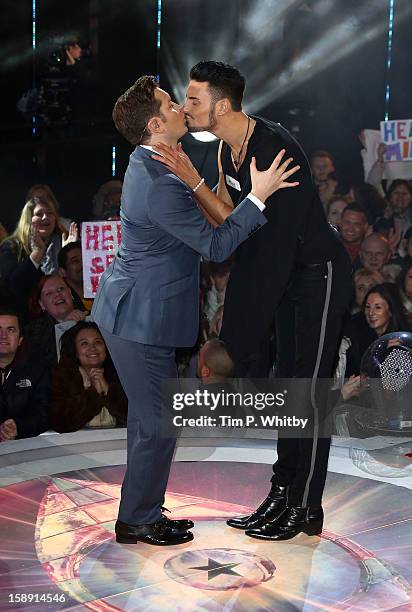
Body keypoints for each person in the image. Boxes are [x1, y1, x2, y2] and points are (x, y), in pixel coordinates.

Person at [91, 75, 299, 547]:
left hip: (139, 310)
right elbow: (217, 245)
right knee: (155, 422)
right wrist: (259, 195)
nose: (182, 109)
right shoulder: (158, 179)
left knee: (154, 421)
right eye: (171, 104)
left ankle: (141, 511)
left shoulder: (156, 164)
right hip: (139, 318)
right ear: (155, 123)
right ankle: (138, 520)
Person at [154, 60, 353, 541]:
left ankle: (305, 506)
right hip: (283, 279)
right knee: (292, 389)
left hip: (318, 277)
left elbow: (277, 244)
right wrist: (190, 176)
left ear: (222, 105)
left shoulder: (275, 148)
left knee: (309, 392)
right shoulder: (226, 150)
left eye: (195, 99)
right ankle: (283, 493)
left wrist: (244, 324)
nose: (186, 106)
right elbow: (230, 219)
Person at [0, 196, 77, 319]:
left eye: (50, 213)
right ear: (28, 220)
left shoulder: (61, 244)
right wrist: (37, 253)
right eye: (39, 214)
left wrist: (67, 255)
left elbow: (73, 284)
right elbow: (12, 285)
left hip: (64, 317)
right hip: (27, 320)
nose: (45, 217)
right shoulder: (11, 246)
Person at [49, 322, 127, 433]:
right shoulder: (63, 376)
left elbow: (137, 416)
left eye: (98, 342)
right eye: (84, 343)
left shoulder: (121, 373)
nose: (93, 348)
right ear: (75, 350)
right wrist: (93, 393)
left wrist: (108, 390)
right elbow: (59, 422)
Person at [0, 309, 50, 441]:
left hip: (25, 451)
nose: (3, 335)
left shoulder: (37, 370)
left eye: (10, 330)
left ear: (20, 339)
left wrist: (18, 426)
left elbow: (44, 413)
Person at [25, 275, 87, 366]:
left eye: (61, 289)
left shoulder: (91, 319)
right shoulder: (33, 332)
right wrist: (63, 326)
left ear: (71, 294)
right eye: (49, 293)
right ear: (41, 304)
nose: (57, 294)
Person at [58, 241, 93, 310]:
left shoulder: (102, 291)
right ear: (63, 272)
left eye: (85, 258)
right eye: (75, 261)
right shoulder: (60, 301)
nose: (83, 264)